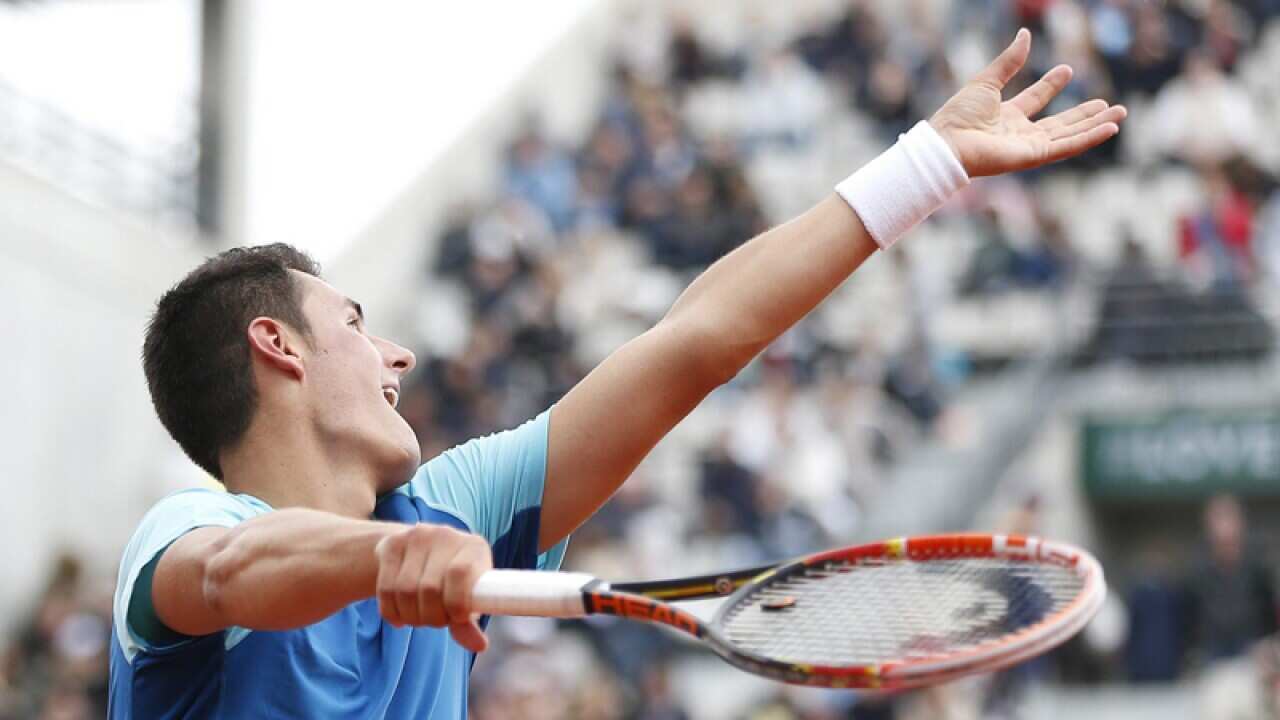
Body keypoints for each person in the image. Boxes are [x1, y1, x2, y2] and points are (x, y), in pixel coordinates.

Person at [108, 29, 1124, 718]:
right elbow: (236, 574)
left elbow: (694, 341)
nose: (399, 356)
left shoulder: (454, 508)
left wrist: (924, 168)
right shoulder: (185, 544)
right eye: (356, 324)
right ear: (276, 347)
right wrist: (385, 561)